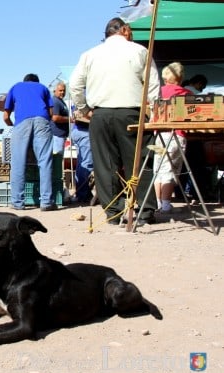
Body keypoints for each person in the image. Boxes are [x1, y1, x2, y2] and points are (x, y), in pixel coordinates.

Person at [69, 17, 160, 226]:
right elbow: (153, 85)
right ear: (125, 30)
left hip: (100, 114)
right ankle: (146, 210)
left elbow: (74, 85)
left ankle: (114, 212)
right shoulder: (139, 51)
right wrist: (154, 111)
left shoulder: (89, 54)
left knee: (105, 164)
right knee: (139, 161)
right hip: (131, 112)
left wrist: (84, 109)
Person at [3, 73, 58, 211]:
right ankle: (46, 202)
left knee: (18, 162)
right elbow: (51, 113)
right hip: (42, 120)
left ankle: (17, 203)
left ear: (25, 81)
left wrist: (13, 126)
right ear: (36, 82)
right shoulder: (43, 88)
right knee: (45, 161)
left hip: (21, 122)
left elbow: (5, 116)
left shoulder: (15, 87)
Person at [153, 62, 193, 214]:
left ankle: (157, 202)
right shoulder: (186, 94)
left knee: (158, 168)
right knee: (170, 169)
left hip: (158, 134)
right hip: (176, 134)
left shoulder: (157, 92)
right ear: (181, 77)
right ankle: (166, 204)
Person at [70, 110, 93, 203]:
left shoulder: (78, 98)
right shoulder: (87, 96)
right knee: (86, 163)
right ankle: (83, 194)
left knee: (81, 164)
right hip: (84, 131)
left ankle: (82, 192)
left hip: (77, 130)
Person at [51, 81, 71, 155]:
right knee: (57, 159)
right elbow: (55, 118)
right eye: (60, 90)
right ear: (54, 91)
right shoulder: (55, 101)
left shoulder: (61, 102)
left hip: (61, 136)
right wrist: (69, 119)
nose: (62, 92)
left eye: (64, 90)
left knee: (59, 159)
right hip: (57, 136)